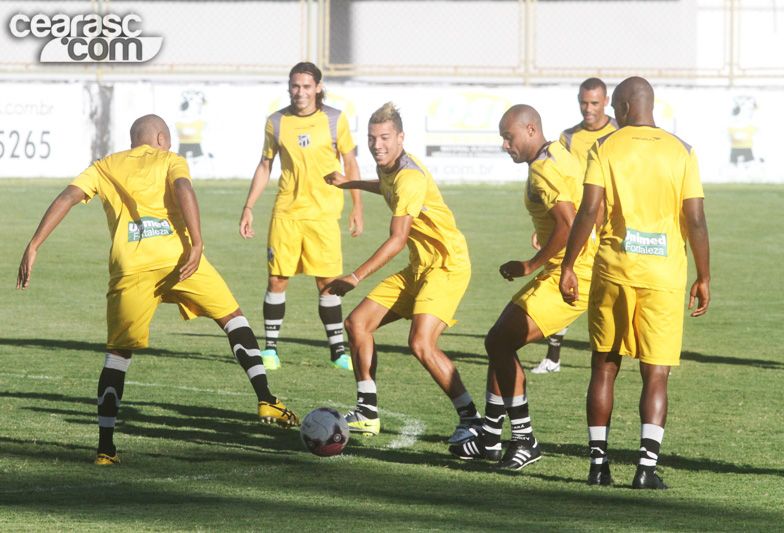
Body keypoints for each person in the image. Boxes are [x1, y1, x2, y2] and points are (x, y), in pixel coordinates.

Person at [16, 115, 298, 466]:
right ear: (162, 138)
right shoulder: (169, 159)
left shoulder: (103, 166)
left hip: (130, 267)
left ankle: (105, 449)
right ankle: (266, 398)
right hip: (178, 259)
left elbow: (67, 197)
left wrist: (34, 244)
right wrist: (197, 243)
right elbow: (184, 190)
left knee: (117, 355)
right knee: (232, 319)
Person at [559, 77, 710, 489]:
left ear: (623, 107)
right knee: (655, 373)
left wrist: (569, 264)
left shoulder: (604, 146)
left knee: (604, 366)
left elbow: (589, 210)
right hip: (664, 275)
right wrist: (704, 276)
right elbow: (695, 218)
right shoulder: (682, 151)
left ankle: (598, 466)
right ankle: (645, 469)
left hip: (614, 269)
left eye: (614, 108)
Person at [448, 104, 596, 470]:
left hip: (573, 272)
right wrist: (547, 234)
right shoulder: (560, 151)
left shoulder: (543, 169)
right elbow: (582, 207)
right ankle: (489, 439)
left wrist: (531, 264)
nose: (504, 145)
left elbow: (568, 224)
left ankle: (524, 439)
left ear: (531, 130)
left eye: (508, 137)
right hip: (576, 264)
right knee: (500, 341)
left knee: (499, 341)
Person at [323, 102, 480, 443]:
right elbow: (385, 186)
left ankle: (472, 420)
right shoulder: (390, 168)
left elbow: (397, 239)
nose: (377, 145)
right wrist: (350, 182)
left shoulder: (409, 177)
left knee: (421, 343)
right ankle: (366, 412)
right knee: (357, 324)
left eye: (384, 138)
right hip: (419, 266)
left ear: (400, 137)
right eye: (372, 138)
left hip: (447, 266)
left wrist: (355, 276)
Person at [239, 62, 363, 371]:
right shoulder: (276, 122)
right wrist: (248, 207)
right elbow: (265, 165)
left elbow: (350, 162)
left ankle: (338, 353)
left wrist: (357, 205)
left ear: (318, 88)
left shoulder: (335, 119)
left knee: (328, 283)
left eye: (307, 86)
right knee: (277, 279)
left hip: (324, 215)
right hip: (286, 214)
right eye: (295, 86)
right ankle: (270, 350)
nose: (300, 92)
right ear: (289, 87)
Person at [530, 77, 619, 375]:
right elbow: (561, 186)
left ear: (606, 102)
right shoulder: (568, 137)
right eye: (584, 103)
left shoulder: (619, 132)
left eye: (594, 103)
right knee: (565, 280)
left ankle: (650, 355)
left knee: (618, 287)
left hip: (613, 222)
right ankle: (553, 358)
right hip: (580, 223)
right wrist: (547, 223)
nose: (588, 109)